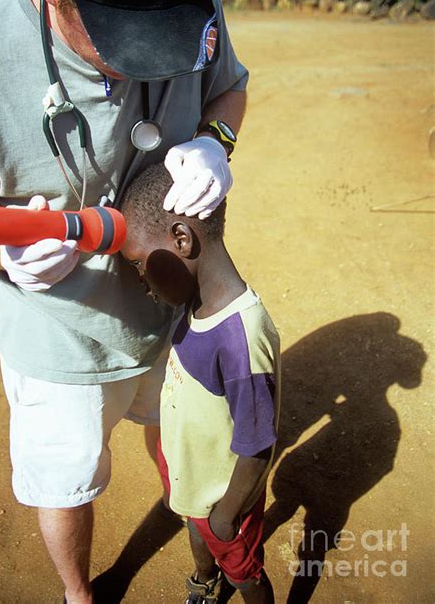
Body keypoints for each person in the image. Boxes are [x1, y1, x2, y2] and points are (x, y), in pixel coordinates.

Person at [0, 0, 248, 601]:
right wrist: (2, 254)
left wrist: (216, 143)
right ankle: (78, 593)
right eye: (123, 39)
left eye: (165, 37)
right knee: (68, 476)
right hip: (61, 334)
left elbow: (229, 91)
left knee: (179, 436)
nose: (146, 65)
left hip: (173, 309)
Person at [120, 163, 281, 604]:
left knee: (245, 573)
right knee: (196, 531)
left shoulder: (241, 335)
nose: (140, 278)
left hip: (224, 498)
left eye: (137, 262)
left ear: (182, 239)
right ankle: (204, 582)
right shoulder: (194, 303)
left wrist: (228, 515)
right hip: (194, 483)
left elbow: (256, 444)